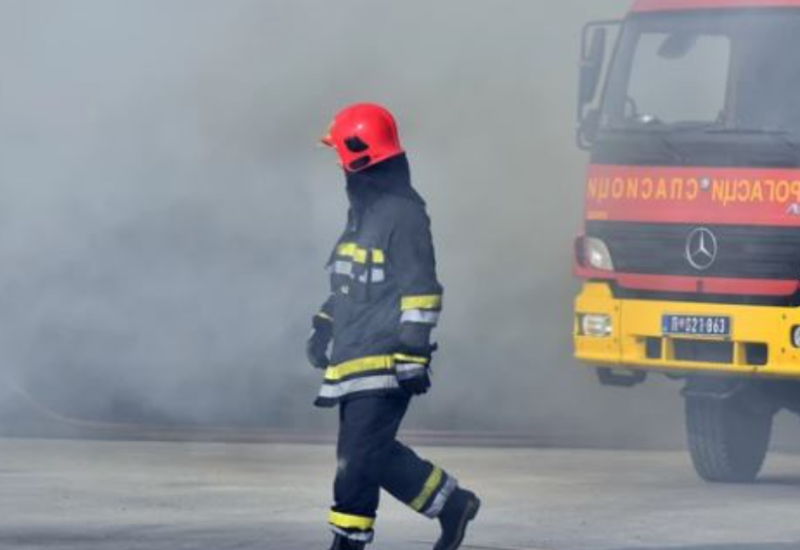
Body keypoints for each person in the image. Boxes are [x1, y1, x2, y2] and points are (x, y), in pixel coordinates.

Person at [307, 103, 481, 550]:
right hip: (353, 354)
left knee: (356, 459)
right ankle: (452, 504)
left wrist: (411, 354)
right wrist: (324, 324)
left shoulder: (403, 216)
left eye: (339, 152)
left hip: (384, 359)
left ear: (359, 155)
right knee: (372, 455)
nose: (336, 162)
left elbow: (421, 290)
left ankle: (347, 543)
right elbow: (350, 280)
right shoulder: (365, 211)